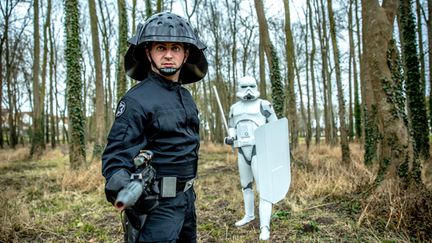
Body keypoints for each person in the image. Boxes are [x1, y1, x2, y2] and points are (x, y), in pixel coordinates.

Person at [102, 12, 208, 243]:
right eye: (161, 47)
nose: (168, 55)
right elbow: (115, 158)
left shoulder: (186, 97)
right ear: (149, 53)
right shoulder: (136, 101)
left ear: (186, 53)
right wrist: (123, 186)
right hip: (156, 208)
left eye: (176, 48)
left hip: (187, 199)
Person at [224, 76, 278, 241]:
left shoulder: (264, 105)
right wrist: (230, 137)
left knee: (263, 190)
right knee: (246, 186)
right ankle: (249, 215)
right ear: (239, 87)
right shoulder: (234, 108)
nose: (248, 89)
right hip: (242, 150)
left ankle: (265, 226)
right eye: (244, 86)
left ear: (255, 86)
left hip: (258, 149)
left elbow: (274, 126)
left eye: (251, 86)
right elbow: (232, 127)